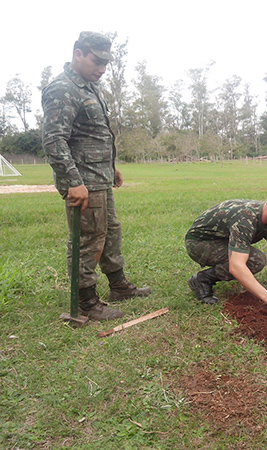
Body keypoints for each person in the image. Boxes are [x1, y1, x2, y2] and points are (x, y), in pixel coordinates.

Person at [42, 32, 151, 321]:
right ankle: (86, 302)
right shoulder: (63, 89)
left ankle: (119, 285)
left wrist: (110, 165)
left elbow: (92, 135)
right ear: (78, 54)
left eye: (106, 62)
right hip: (83, 181)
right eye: (97, 61)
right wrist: (73, 182)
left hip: (99, 176)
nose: (102, 68)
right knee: (88, 239)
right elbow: (54, 140)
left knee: (110, 232)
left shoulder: (90, 86)